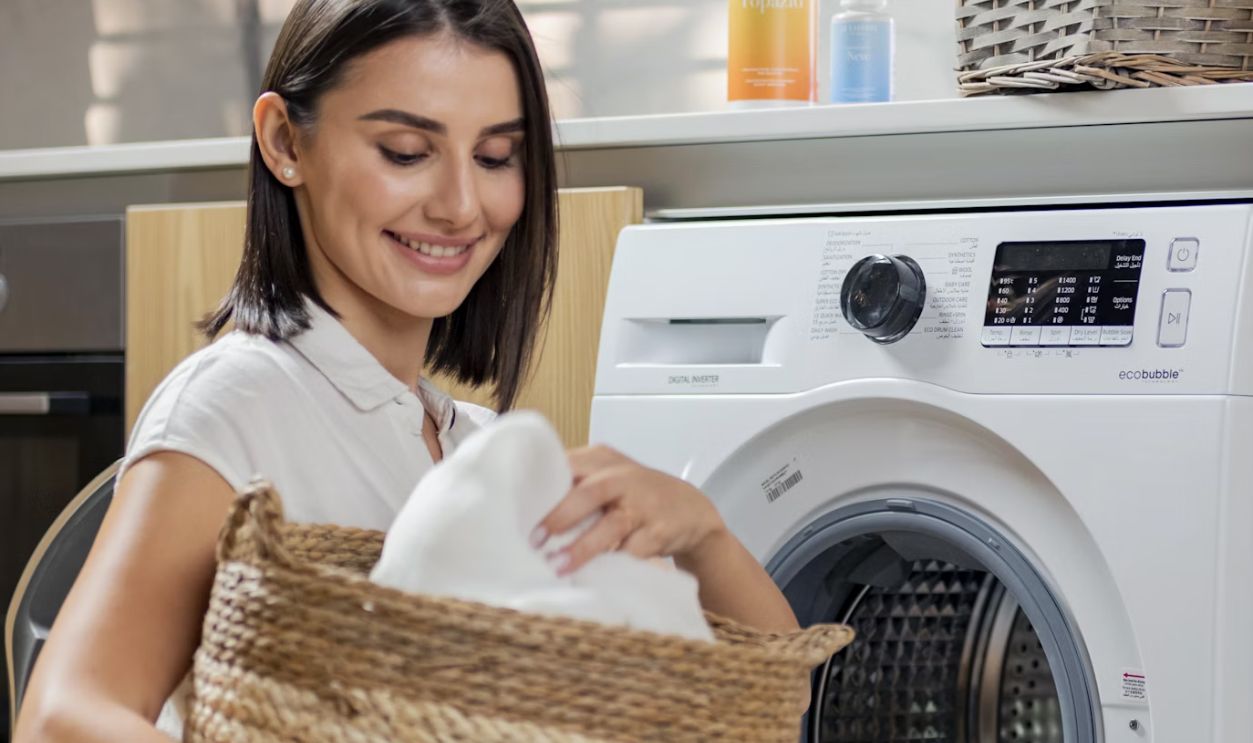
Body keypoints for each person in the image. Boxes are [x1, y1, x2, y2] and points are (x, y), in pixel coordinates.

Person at [14, 1, 799, 740]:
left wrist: (703, 535)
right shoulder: (236, 405)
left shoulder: (479, 451)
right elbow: (61, 717)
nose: (460, 204)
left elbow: (774, 702)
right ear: (285, 142)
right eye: (406, 152)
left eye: (495, 157)